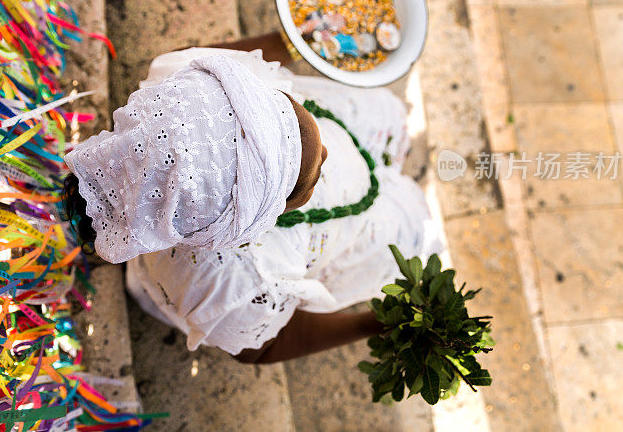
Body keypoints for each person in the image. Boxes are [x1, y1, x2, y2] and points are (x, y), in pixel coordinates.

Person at [62, 35, 440, 363]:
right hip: (333, 230)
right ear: (254, 221)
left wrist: (297, 38)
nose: (324, 155)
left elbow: (212, 57)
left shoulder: (186, 85)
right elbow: (262, 348)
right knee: (412, 229)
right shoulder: (232, 282)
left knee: (386, 112)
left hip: (339, 141)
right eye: (306, 180)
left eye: (291, 111)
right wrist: (378, 324)